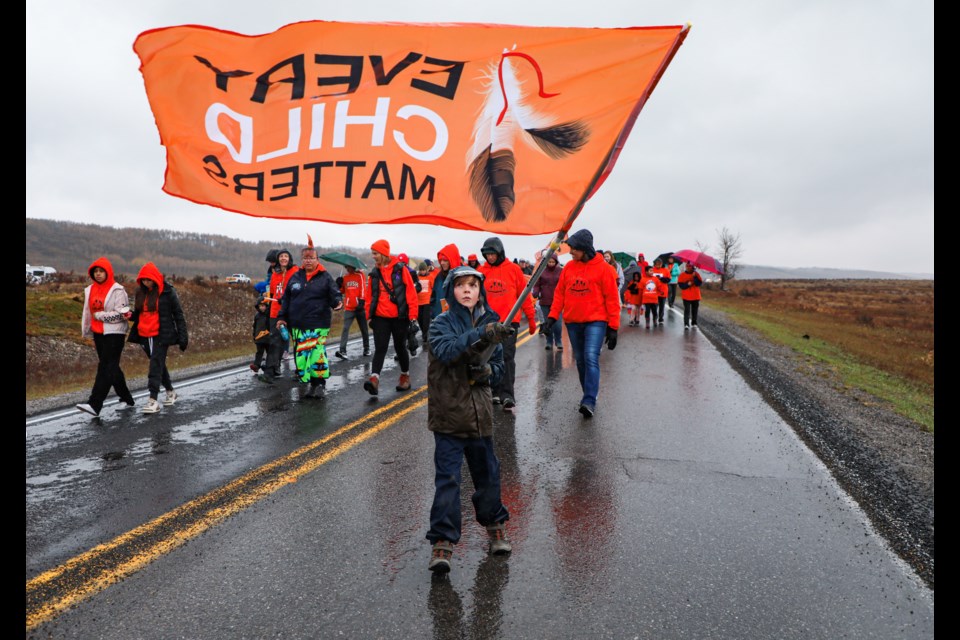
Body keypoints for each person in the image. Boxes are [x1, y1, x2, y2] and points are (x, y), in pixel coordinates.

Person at [425, 266, 515, 573]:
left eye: (473, 285)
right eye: (461, 285)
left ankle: (496, 527)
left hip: (480, 417)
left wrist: (490, 371)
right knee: (448, 480)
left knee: (488, 475)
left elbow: (501, 367)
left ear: (480, 291)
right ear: (451, 291)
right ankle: (443, 541)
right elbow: (448, 351)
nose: (467, 290)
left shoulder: (492, 323)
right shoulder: (440, 323)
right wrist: (482, 335)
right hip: (449, 416)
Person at [541, 229, 619, 418]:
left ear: (585, 248)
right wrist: (551, 318)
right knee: (581, 361)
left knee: (591, 356)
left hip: (596, 321)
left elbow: (612, 299)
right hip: (573, 322)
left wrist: (613, 327)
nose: (570, 252)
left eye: (574, 249)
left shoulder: (605, 269)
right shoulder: (568, 268)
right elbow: (560, 294)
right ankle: (588, 394)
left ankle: (589, 400)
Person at [277, 240, 343, 398]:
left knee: (316, 354)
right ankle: (311, 384)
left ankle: (320, 384)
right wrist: (282, 318)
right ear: (301, 260)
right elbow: (286, 299)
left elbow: (335, 295)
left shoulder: (325, 277)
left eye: (311, 258)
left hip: (318, 323)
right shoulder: (295, 277)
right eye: (305, 258)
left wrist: (337, 303)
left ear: (317, 260)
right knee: (302, 356)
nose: (308, 261)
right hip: (298, 324)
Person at [478, 236, 538, 410]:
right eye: (487, 254)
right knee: (489, 357)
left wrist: (532, 318)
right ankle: (494, 392)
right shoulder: (482, 272)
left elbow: (524, 295)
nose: (490, 257)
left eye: (492, 254)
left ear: (500, 252)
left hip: (510, 322)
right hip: (489, 323)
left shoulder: (513, 270)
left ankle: (507, 394)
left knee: (506, 357)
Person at [75, 257, 136, 417]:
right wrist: (87, 328)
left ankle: (95, 404)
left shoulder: (118, 290)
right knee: (112, 367)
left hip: (115, 333)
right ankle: (127, 399)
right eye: (96, 272)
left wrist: (102, 316)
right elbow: (88, 312)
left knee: (106, 367)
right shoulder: (89, 289)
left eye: (101, 271)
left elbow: (124, 314)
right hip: (98, 333)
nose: (98, 274)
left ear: (108, 272)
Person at [127, 262, 188, 414]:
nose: (146, 283)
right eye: (143, 280)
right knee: (158, 363)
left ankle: (153, 399)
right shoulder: (140, 292)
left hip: (161, 334)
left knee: (155, 364)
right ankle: (170, 392)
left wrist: (183, 337)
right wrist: (129, 315)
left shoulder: (167, 292)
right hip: (144, 334)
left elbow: (178, 315)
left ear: (155, 278)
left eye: (148, 280)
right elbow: (138, 314)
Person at [365, 239, 419, 395]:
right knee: (380, 348)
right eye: (372, 253)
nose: (373, 257)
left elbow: (411, 294)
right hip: (380, 318)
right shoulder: (374, 274)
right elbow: (369, 296)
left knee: (400, 347)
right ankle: (374, 380)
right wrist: (369, 316)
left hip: (399, 317)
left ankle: (405, 376)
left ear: (383, 253)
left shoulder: (400, 270)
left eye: (375, 253)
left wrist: (413, 316)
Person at [263, 248, 299, 380]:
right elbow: (272, 293)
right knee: (274, 342)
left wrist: (287, 299)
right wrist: (265, 300)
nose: (283, 258)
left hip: (292, 312)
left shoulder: (296, 272)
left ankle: (300, 369)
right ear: (278, 259)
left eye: (286, 256)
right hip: (276, 312)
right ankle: (271, 371)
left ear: (289, 258)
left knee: (297, 340)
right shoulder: (274, 275)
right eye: (281, 256)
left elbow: (300, 291)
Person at [334, 265, 370, 360]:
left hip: (359, 307)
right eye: (346, 267)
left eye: (349, 267)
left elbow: (363, 288)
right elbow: (342, 291)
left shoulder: (360, 275)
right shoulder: (345, 277)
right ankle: (342, 350)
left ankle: (366, 348)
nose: (347, 269)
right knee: (345, 328)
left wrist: (361, 301)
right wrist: (338, 284)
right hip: (349, 308)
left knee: (364, 329)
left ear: (353, 267)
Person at [532, 254, 564, 350]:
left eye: (552, 262)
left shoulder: (561, 271)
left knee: (557, 324)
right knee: (547, 323)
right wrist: (536, 292)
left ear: (556, 262)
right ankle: (549, 341)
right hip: (545, 300)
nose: (551, 264)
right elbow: (536, 284)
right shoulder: (541, 271)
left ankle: (558, 340)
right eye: (549, 262)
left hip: (557, 301)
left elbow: (564, 283)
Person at [430, 244, 462, 319]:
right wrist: (432, 314)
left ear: (452, 260)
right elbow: (433, 298)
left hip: (458, 321)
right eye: (441, 260)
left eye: (445, 260)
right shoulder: (439, 277)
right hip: (440, 319)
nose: (442, 263)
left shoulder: (463, 277)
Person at [416, 260, 439, 351]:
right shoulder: (417, 278)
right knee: (420, 320)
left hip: (427, 302)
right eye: (420, 270)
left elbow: (434, 289)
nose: (422, 271)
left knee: (426, 321)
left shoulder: (431, 277)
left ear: (426, 270)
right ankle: (424, 333)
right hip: (418, 302)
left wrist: (433, 300)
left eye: (423, 270)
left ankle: (425, 336)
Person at [678, 261, 704, 329]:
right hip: (686, 296)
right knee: (687, 310)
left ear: (692, 267)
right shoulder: (682, 275)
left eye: (690, 266)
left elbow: (699, 284)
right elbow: (681, 286)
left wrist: (695, 277)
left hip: (695, 296)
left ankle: (694, 322)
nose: (688, 267)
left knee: (694, 310)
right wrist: (687, 284)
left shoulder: (696, 274)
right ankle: (686, 323)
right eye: (687, 266)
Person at [249, 294, 271, 373]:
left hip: (268, 338)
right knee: (259, 352)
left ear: (266, 306)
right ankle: (256, 365)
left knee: (269, 352)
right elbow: (255, 326)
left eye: (263, 306)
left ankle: (269, 366)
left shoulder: (269, 315)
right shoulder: (257, 316)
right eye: (260, 306)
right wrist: (254, 336)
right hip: (259, 338)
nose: (262, 307)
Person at [652, 258, 671, 323]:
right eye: (656, 264)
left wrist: (663, 278)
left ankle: (661, 318)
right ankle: (655, 317)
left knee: (662, 306)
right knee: (654, 306)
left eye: (659, 264)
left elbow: (668, 279)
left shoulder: (666, 270)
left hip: (663, 290)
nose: (658, 265)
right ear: (654, 264)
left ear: (661, 264)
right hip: (654, 290)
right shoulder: (652, 270)